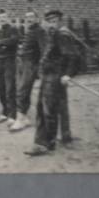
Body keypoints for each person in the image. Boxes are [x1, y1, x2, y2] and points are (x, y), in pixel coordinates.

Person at [25, 9, 82, 156]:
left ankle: (44, 143)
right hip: (49, 75)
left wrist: (68, 74)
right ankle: (65, 136)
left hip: (54, 77)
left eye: (55, 21)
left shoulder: (62, 35)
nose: (51, 24)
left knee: (45, 110)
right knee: (59, 106)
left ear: (60, 22)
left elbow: (73, 56)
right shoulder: (51, 34)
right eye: (49, 21)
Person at [10, 11, 45, 132]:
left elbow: (43, 50)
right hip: (23, 63)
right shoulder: (30, 30)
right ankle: (23, 117)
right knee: (20, 89)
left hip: (31, 64)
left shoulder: (39, 31)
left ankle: (21, 119)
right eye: (27, 17)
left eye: (32, 17)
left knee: (22, 90)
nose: (29, 19)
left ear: (37, 18)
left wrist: (40, 68)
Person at [0, 9, 20, 125]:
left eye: (4, 17)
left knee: (10, 88)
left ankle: (13, 114)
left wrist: (0, 43)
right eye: (0, 17)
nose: (2, 19)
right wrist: (2, 44)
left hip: (9, 61)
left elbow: (14, 41)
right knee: (0, 87)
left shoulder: (13, 29)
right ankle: (5, 111)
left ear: (8, 18)